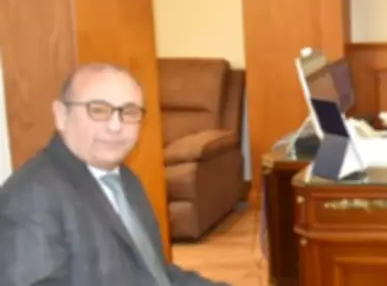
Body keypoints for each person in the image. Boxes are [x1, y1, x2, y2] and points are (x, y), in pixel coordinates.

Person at [0, 63, 228, 285]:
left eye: (129, 111)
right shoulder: (29, 197)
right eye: (98, 110)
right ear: (61, 115)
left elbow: (155, 273)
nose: (116, 126)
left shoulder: (124, 179)